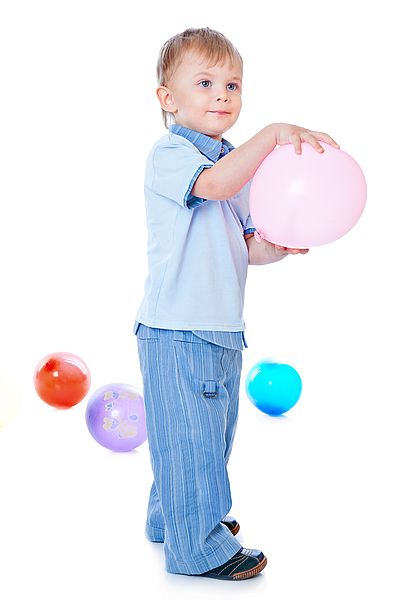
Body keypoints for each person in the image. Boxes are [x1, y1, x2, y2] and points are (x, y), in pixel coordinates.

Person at [134, 27, 339, 581]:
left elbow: (242, 244)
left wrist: (277, 246)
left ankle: (171, 518)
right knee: (192, 435)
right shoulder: (172, 154)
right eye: (204, 83)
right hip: (177, 328)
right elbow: (219, 186)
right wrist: (272, 135)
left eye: (232, 84)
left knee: (201, 432)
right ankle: (196, 547)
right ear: (168, 99)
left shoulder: (230, 162)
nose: (222, 95)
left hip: (220, 326)